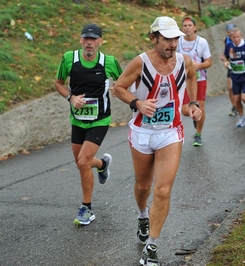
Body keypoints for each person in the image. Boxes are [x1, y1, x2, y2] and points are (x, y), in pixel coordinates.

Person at [112, 16, 202, 265]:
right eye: (167, 39)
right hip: (142, 132)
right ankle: (143, 214)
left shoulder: (184, 61)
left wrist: (192, 104)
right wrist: (137, 103)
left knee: (162, 190)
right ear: (153, 38)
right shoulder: (140, 63)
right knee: (143, 187)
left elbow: (193, 77)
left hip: (170, 132)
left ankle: (152, 246)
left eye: (175, 39)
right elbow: (118, 87)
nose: (172, 44)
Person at [54, 23, 122, 226]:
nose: (89, 42)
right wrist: (71, 98)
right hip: (77, 119)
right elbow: (58, 83)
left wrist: (118, 88)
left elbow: (124, 81)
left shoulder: (108, 62)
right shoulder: (69, 59)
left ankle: (87, 209)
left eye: (94, 39)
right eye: (86, 38)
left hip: (100, 119)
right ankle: (102, 164)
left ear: (100, 41)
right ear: (81, 40)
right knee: (82, 163)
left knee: (83, 162)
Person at [177, 16, 212, 146]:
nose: (187, 28)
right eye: (185, 26)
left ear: (195, 28)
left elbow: (209, 61)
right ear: (182, 28)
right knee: (186, 111)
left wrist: (198, 65)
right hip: (183, 82)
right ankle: (194, 117)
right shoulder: (177, 41)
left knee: (200, 107)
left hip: (199, 79)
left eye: (189, 25)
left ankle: (198, 134)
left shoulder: (201, 42)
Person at [220, 23, 238, 116]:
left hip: (239, 64)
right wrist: (225, 59)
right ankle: (234, 107)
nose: (229, 33)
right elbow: (226, 53)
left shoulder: (238, 38)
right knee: (230, 87)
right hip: (231, 65)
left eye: (230, 31)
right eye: (227, 31)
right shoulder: (226, 40)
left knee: (239, 87)